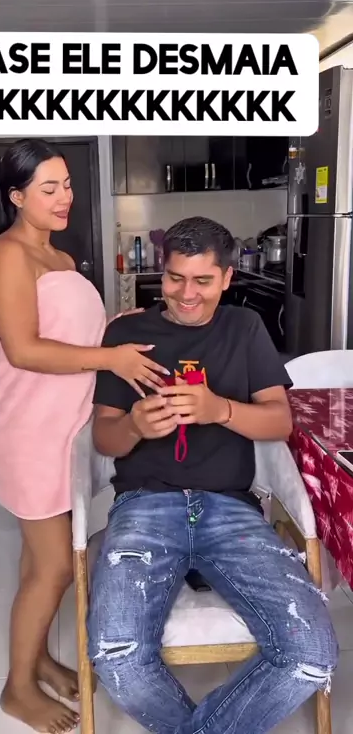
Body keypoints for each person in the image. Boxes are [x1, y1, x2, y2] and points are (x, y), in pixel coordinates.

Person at [88, 216, 339, 734]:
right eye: (175, 278)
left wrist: (218, 409)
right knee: (117, 658)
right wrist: (134, 426)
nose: (187, 294)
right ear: (162, 272)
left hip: (231, 509)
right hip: (144, 505)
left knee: (312, 655)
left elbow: (279, 421)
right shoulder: (126, 335)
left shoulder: (244, 329)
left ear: (227, 277)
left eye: (203, 280)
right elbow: (104, 438)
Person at [0, 138, 168, 734]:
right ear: (16, 197)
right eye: (48, 188)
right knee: (55, 566)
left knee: (39, 559)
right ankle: (17, 689)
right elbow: (24, 349)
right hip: (26, 426)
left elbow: (65, 331)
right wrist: (109, 358)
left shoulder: (56, 255)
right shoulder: (8, 254)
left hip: (61, 424)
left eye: (67, 185)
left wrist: (114, 331)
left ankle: (36, 660)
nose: (64, 198)